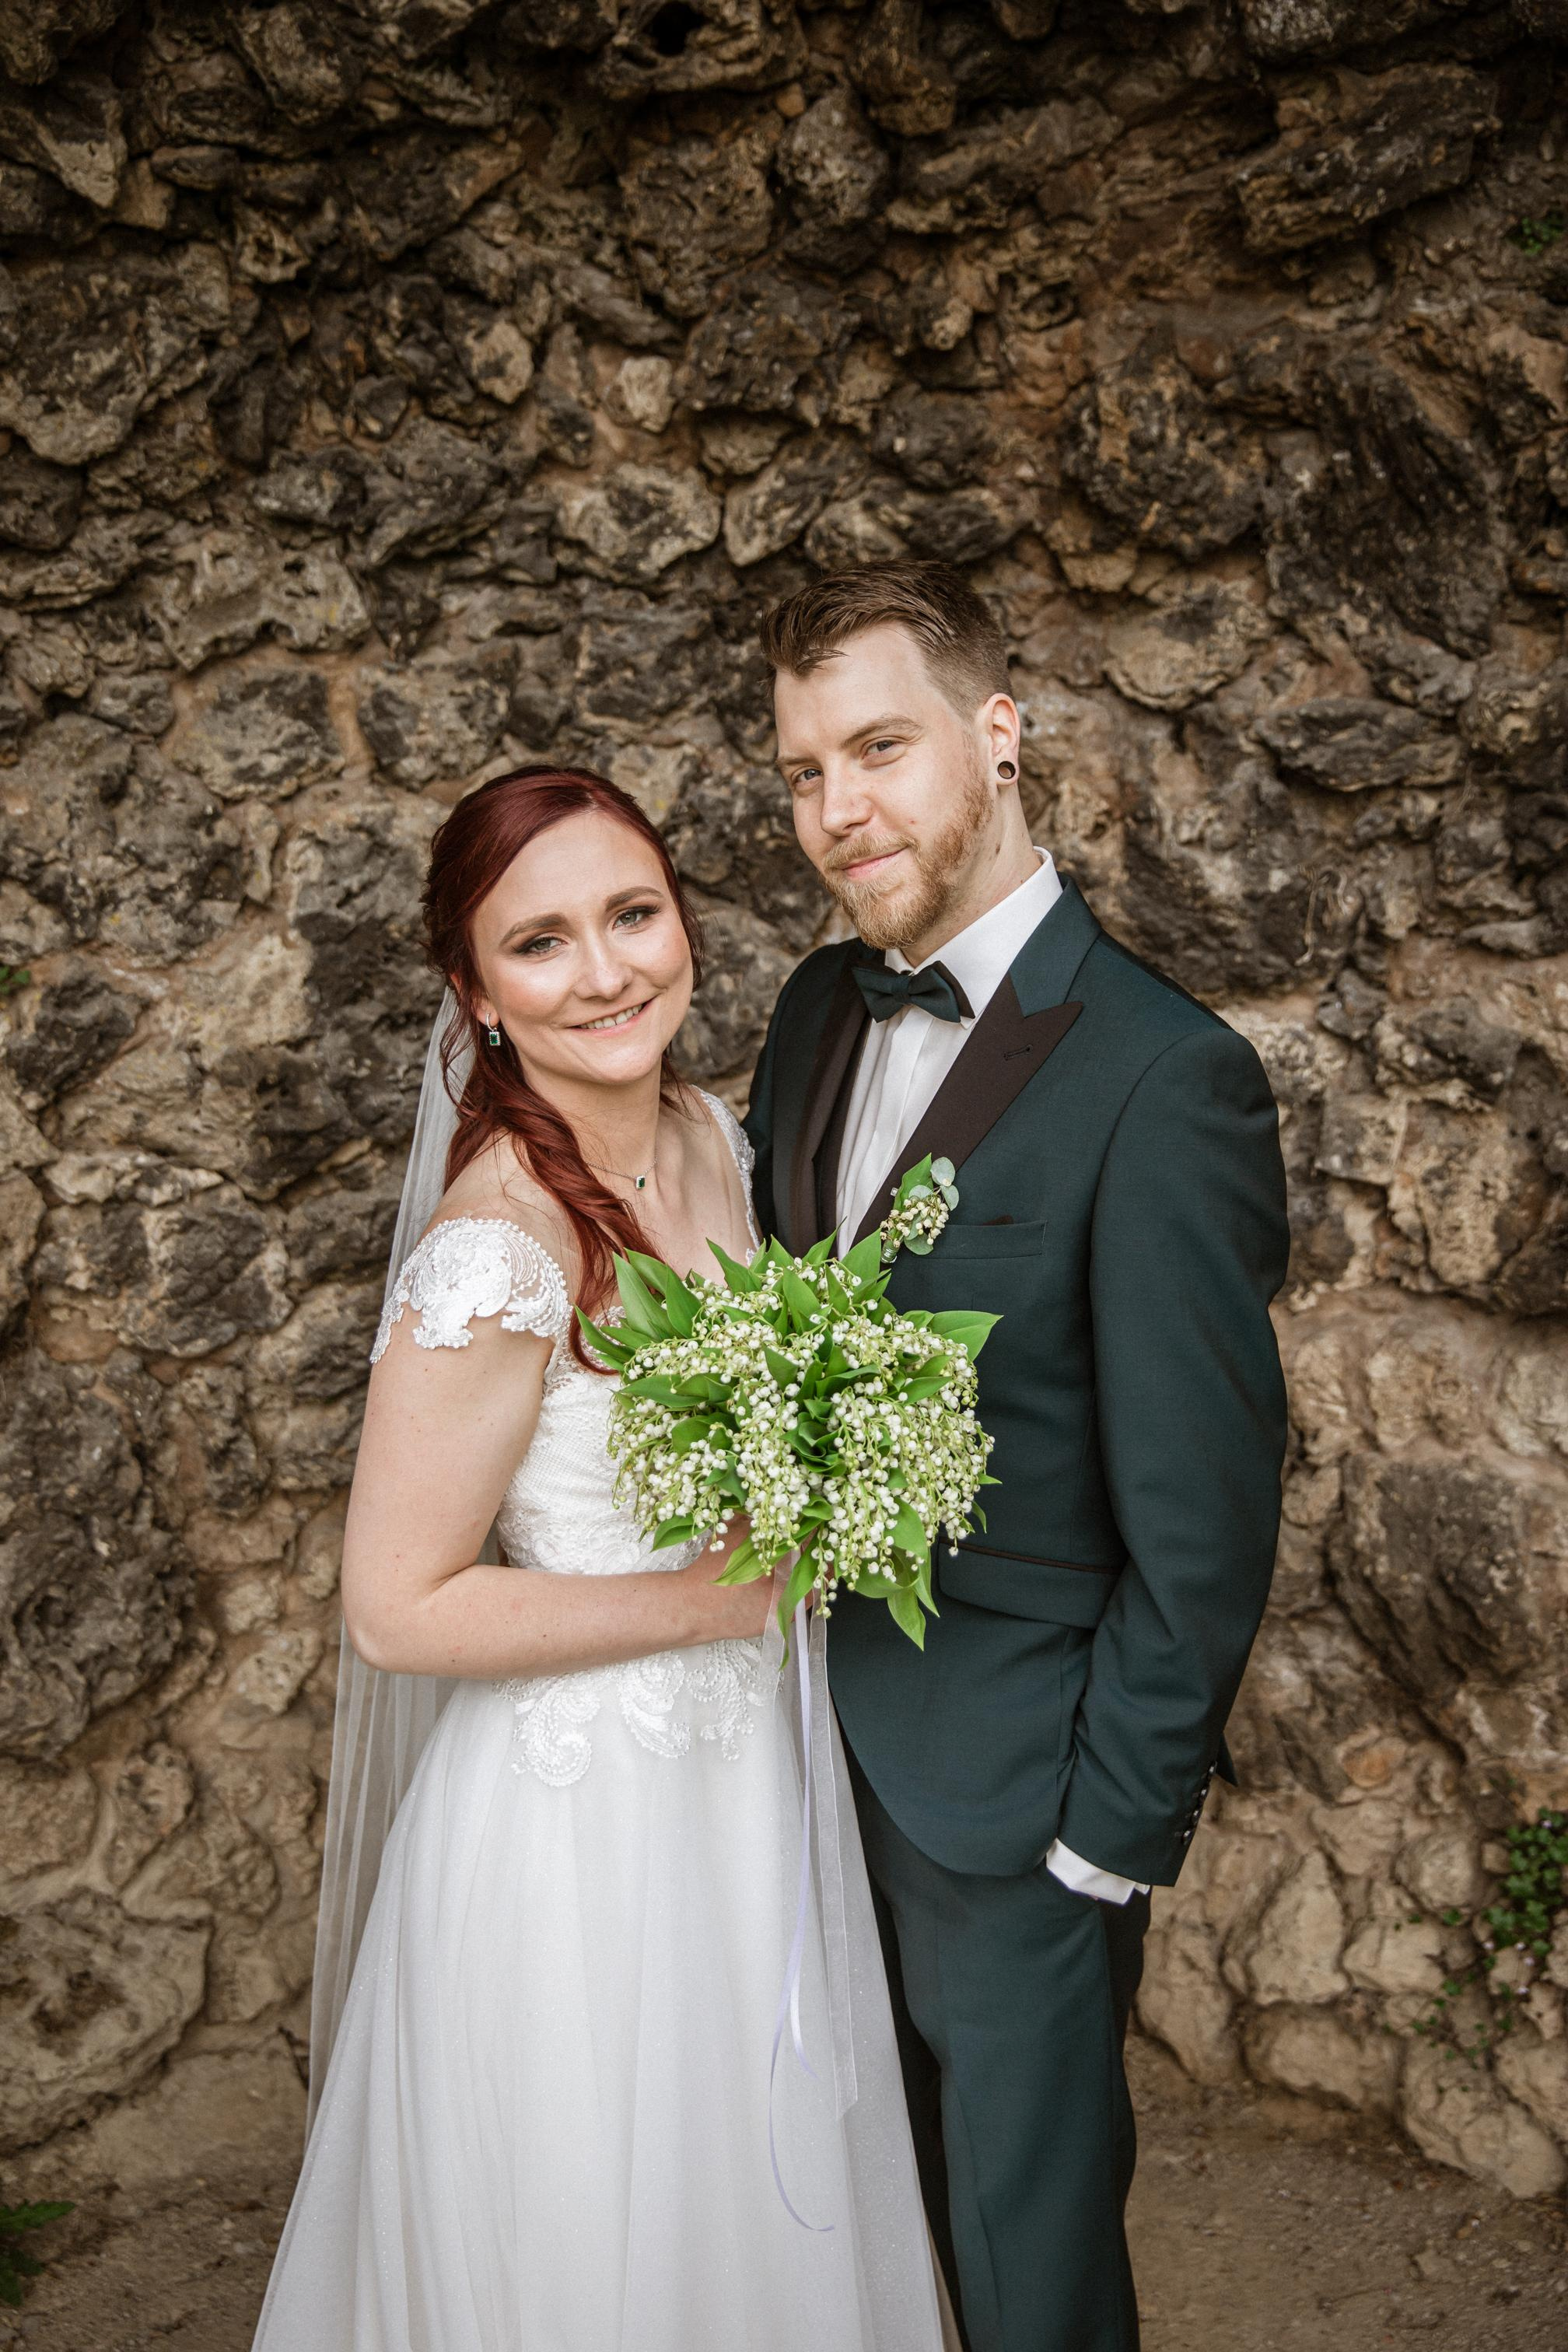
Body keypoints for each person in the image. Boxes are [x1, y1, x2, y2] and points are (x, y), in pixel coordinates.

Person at [253, 766, 948, 2352]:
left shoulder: (710, 1133)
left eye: (632, 914)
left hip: (744, 1791)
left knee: (752, 2202)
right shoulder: (499, 1249)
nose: (609, 969)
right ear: (477, 998)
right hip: (578, 1836)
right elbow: (397, 1609)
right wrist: (712, 1596)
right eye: (542, 943)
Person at [744, 562, 1291, 2352]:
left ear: (997, 733)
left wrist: (1099, 1844)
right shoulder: (819, 1016)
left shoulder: (1164, 1075)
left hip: (1016, 1802)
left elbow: (1202, 1515)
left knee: (1027, 2274)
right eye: (807, 771)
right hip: (786, 1764)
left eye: (882, 748)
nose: (842, 811)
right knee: (844, 2237)